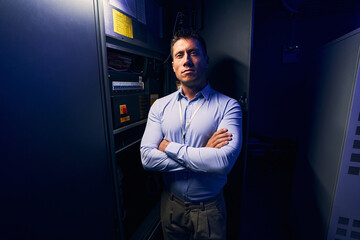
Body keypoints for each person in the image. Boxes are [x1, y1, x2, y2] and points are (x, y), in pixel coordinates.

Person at [140, 29, 242, 240]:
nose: (187, 60)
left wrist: (169, 147)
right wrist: (204, 154)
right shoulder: (160, 106)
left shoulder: (229, 106)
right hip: (170, 204)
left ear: (205, 60)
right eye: (180, 55)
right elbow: (147, 158)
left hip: (209, 209)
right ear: (173, 67)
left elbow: (222, 162)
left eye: (193, 53)